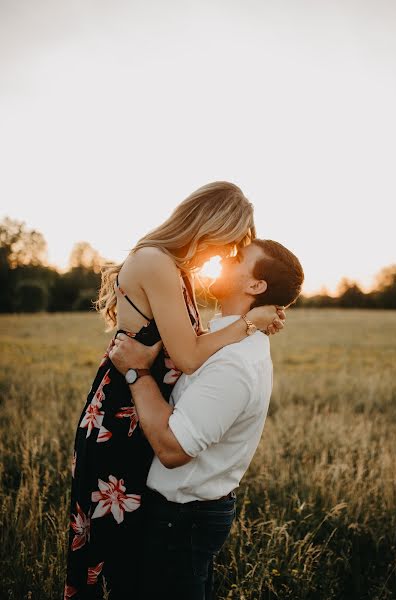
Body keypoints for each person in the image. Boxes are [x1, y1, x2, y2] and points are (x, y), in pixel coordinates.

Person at [64, 182, 285, 599]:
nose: (224, 256)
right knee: (114, 565)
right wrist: (249, 323)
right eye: (228, 244)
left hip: (140, 417)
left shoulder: (174, 270)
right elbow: (186, 357)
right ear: (210, 224)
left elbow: (188, 351)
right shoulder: (155, 262)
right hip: (122, 420)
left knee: (133, 571)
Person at [109, 238, 304, 600]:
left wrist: (137, 372)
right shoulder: (224, 337)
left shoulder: (233, 363)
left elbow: (172, 449)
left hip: (181, 520)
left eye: (239, 257)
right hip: (183, 515)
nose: (227, 257)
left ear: (255, 285)